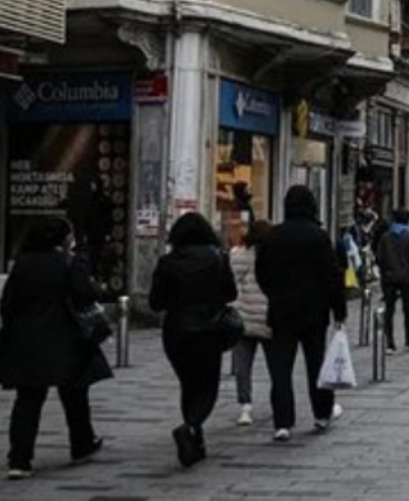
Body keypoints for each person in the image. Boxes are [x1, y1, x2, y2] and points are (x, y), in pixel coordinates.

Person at [0, 217, 108, 479]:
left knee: (28, 399)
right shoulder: (70, 262)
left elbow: (9, 302)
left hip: (27, 338)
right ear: (63, 238)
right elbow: (85, 294)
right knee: (75, 394)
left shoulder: (23, 264)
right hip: (66, 336)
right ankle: (81, 443)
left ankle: (19, 458)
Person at [255, 186, 348, 442]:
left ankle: (283, 422)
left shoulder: (273, 237)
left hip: (281, 311)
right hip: (313, 312)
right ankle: (321, 413)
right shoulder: (318, 237)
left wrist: (274, 294)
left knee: (281, 369)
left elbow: (261, 272)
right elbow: (332, 276)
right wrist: (338, 309)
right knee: (316, 364)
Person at [149, 213, 239, 467]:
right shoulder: (217, 258)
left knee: (188, 383)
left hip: (176, 331)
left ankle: (195, 439)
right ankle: (189, 427)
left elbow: (155, 303)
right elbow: (231, 293)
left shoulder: (167, 262)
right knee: (207, 385)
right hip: (208, 328)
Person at [229, 220, 273, 428]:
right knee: (276, 366)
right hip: (268, 318)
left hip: (243, 317)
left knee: (242, 366)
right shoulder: (275, 256)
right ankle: (278, 401)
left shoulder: (238, 255)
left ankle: (245, 406)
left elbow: (231, 283)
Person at [374, 209, 409, 352]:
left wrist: (385, 271)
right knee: (407, 309)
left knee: (389, 309)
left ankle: (390, 341)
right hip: (406, 278)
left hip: (389, 277)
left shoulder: (385, 237)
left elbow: (379, 258)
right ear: (408, 221)